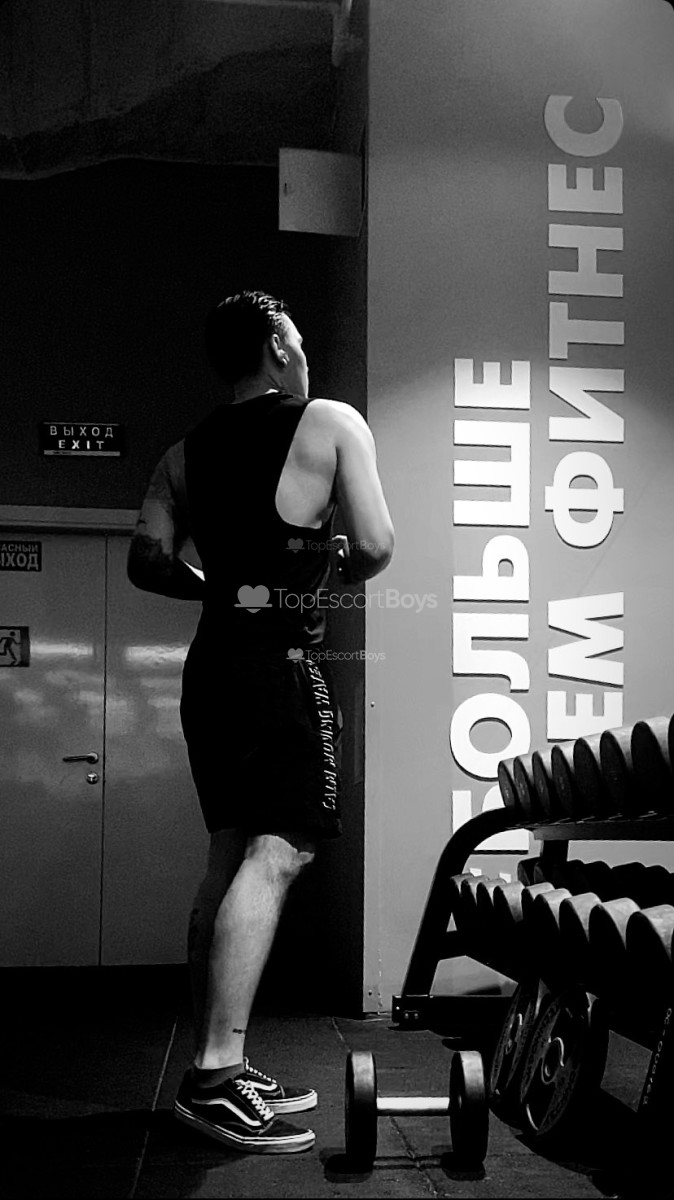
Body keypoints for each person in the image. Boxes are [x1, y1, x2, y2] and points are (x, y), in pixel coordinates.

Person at [127, 290, 395, 1154]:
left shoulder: (182, 454)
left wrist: (221, 588)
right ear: (278, 344)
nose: (306, 355)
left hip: (211, 669)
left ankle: (220, 1065)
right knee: (281, 851)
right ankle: (215, 1076)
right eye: (300, 341)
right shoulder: (331, 422)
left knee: (229, 855)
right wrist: (329, 565)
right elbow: (377, 545)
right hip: (279, 667)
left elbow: (148, 560)